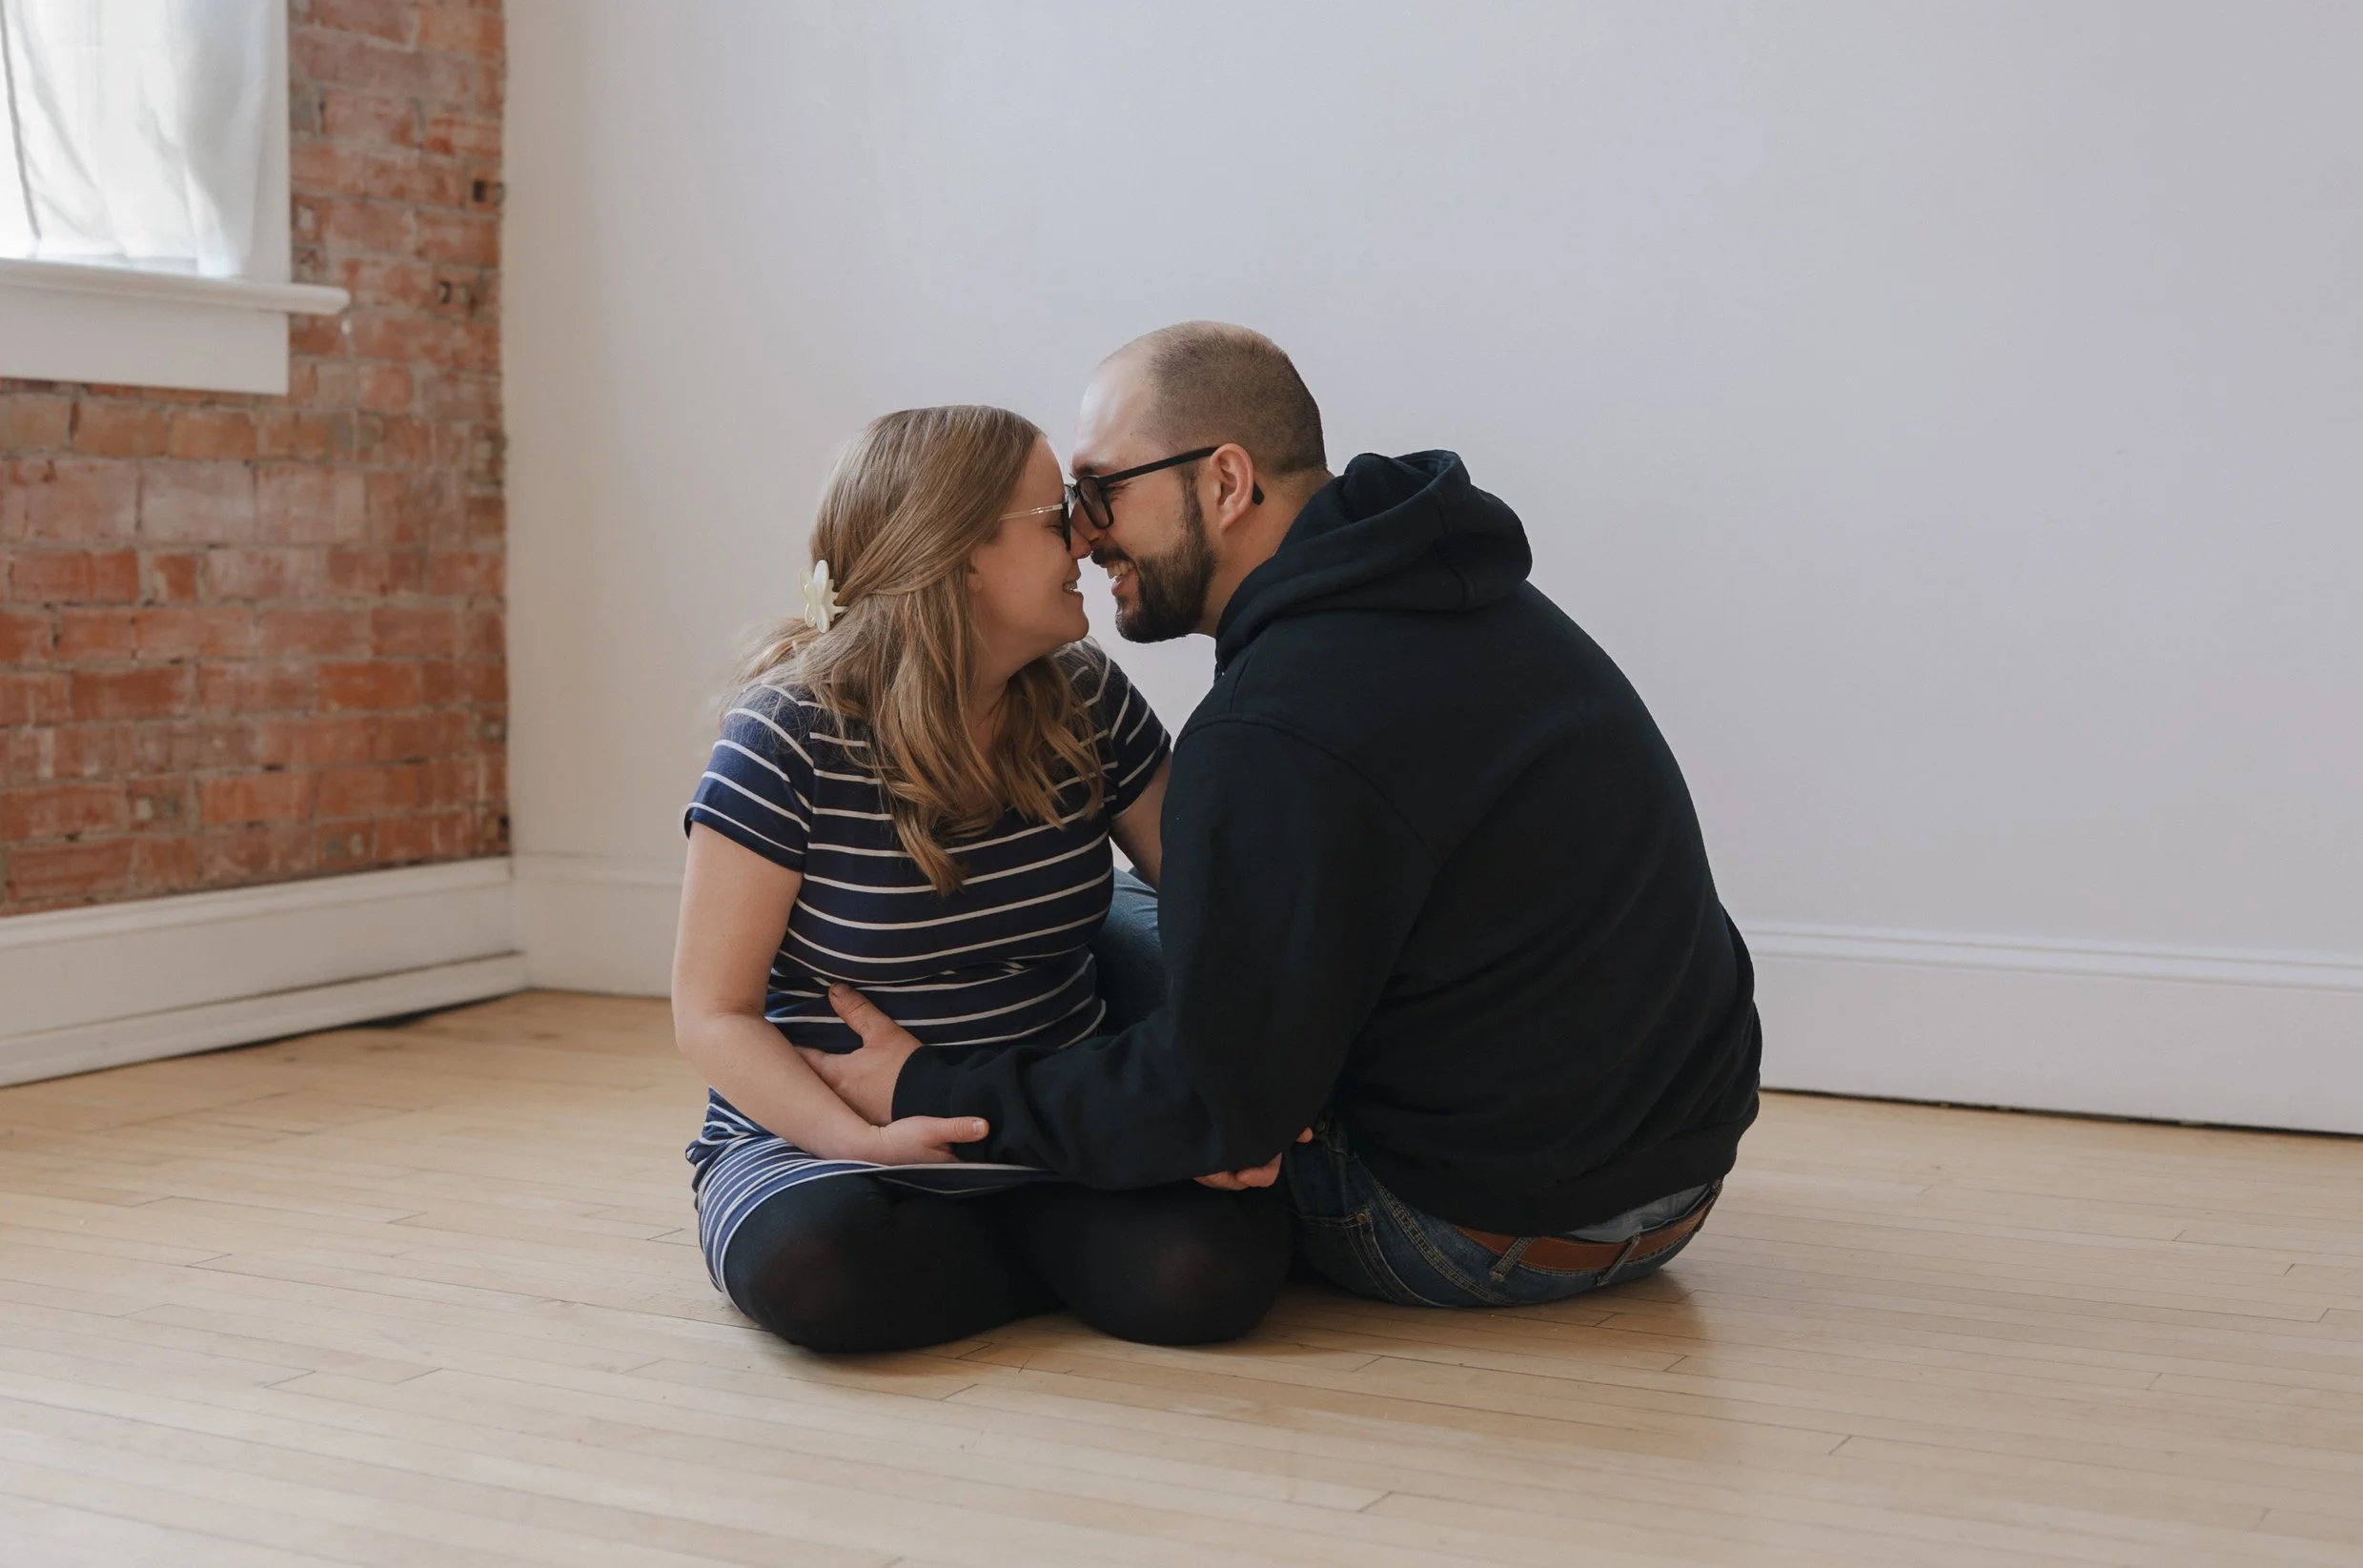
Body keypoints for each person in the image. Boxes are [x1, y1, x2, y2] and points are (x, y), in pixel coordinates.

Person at [811, 324, 1762, 1310]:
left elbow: (1210, 1096)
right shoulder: (1467, 596)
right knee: (1151, 922)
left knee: (1113, 946)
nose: (1084, 534)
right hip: (1677, 1179)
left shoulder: (1278, 726)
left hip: (1470, 1226)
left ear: (1224, 483)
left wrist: (934, 1092)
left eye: (1102, 491)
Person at [669, 404, 1292, 1354]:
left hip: (1043, 1121)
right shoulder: (787, 736)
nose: (1089, 536)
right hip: (831, 1132)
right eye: (1058, 516)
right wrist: (864, 1143)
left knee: (1207, 1280)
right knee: (819, 1277)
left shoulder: (1084, 698)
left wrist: (1230, 1100)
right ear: (958, 554)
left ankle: (999, 1237)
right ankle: (1035, 1255)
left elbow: (1218, 904)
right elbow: (712, 1012)